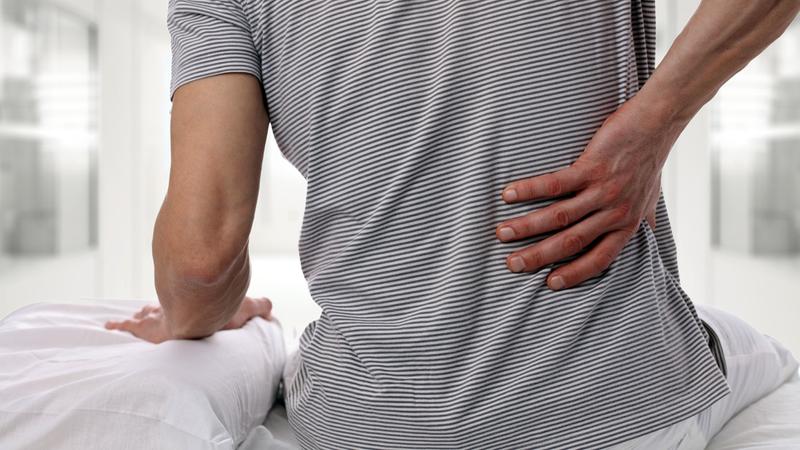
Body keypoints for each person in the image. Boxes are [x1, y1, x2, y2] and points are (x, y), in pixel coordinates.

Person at [105, 0, 800, 448]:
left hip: (364, 426)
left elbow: (200, 262)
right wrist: (657, 121)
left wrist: (201, 311)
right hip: (613, 408)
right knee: (769, 360)